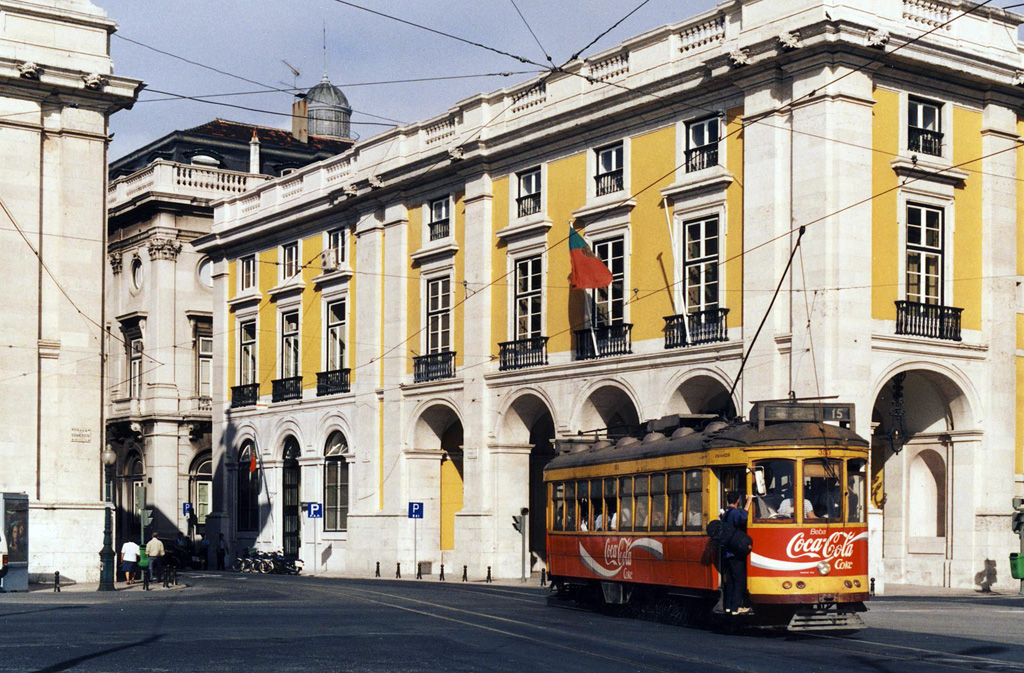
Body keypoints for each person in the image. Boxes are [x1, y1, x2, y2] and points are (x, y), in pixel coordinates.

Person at [722, 491, 752, 615]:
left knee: (730, 580)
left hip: (726, 552)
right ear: (738, 501)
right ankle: (736, 607)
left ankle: (728, 606)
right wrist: (749, 501)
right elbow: (743, 518)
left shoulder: (725, 513)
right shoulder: (734, 513)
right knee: (739, 580)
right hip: (735, 552)